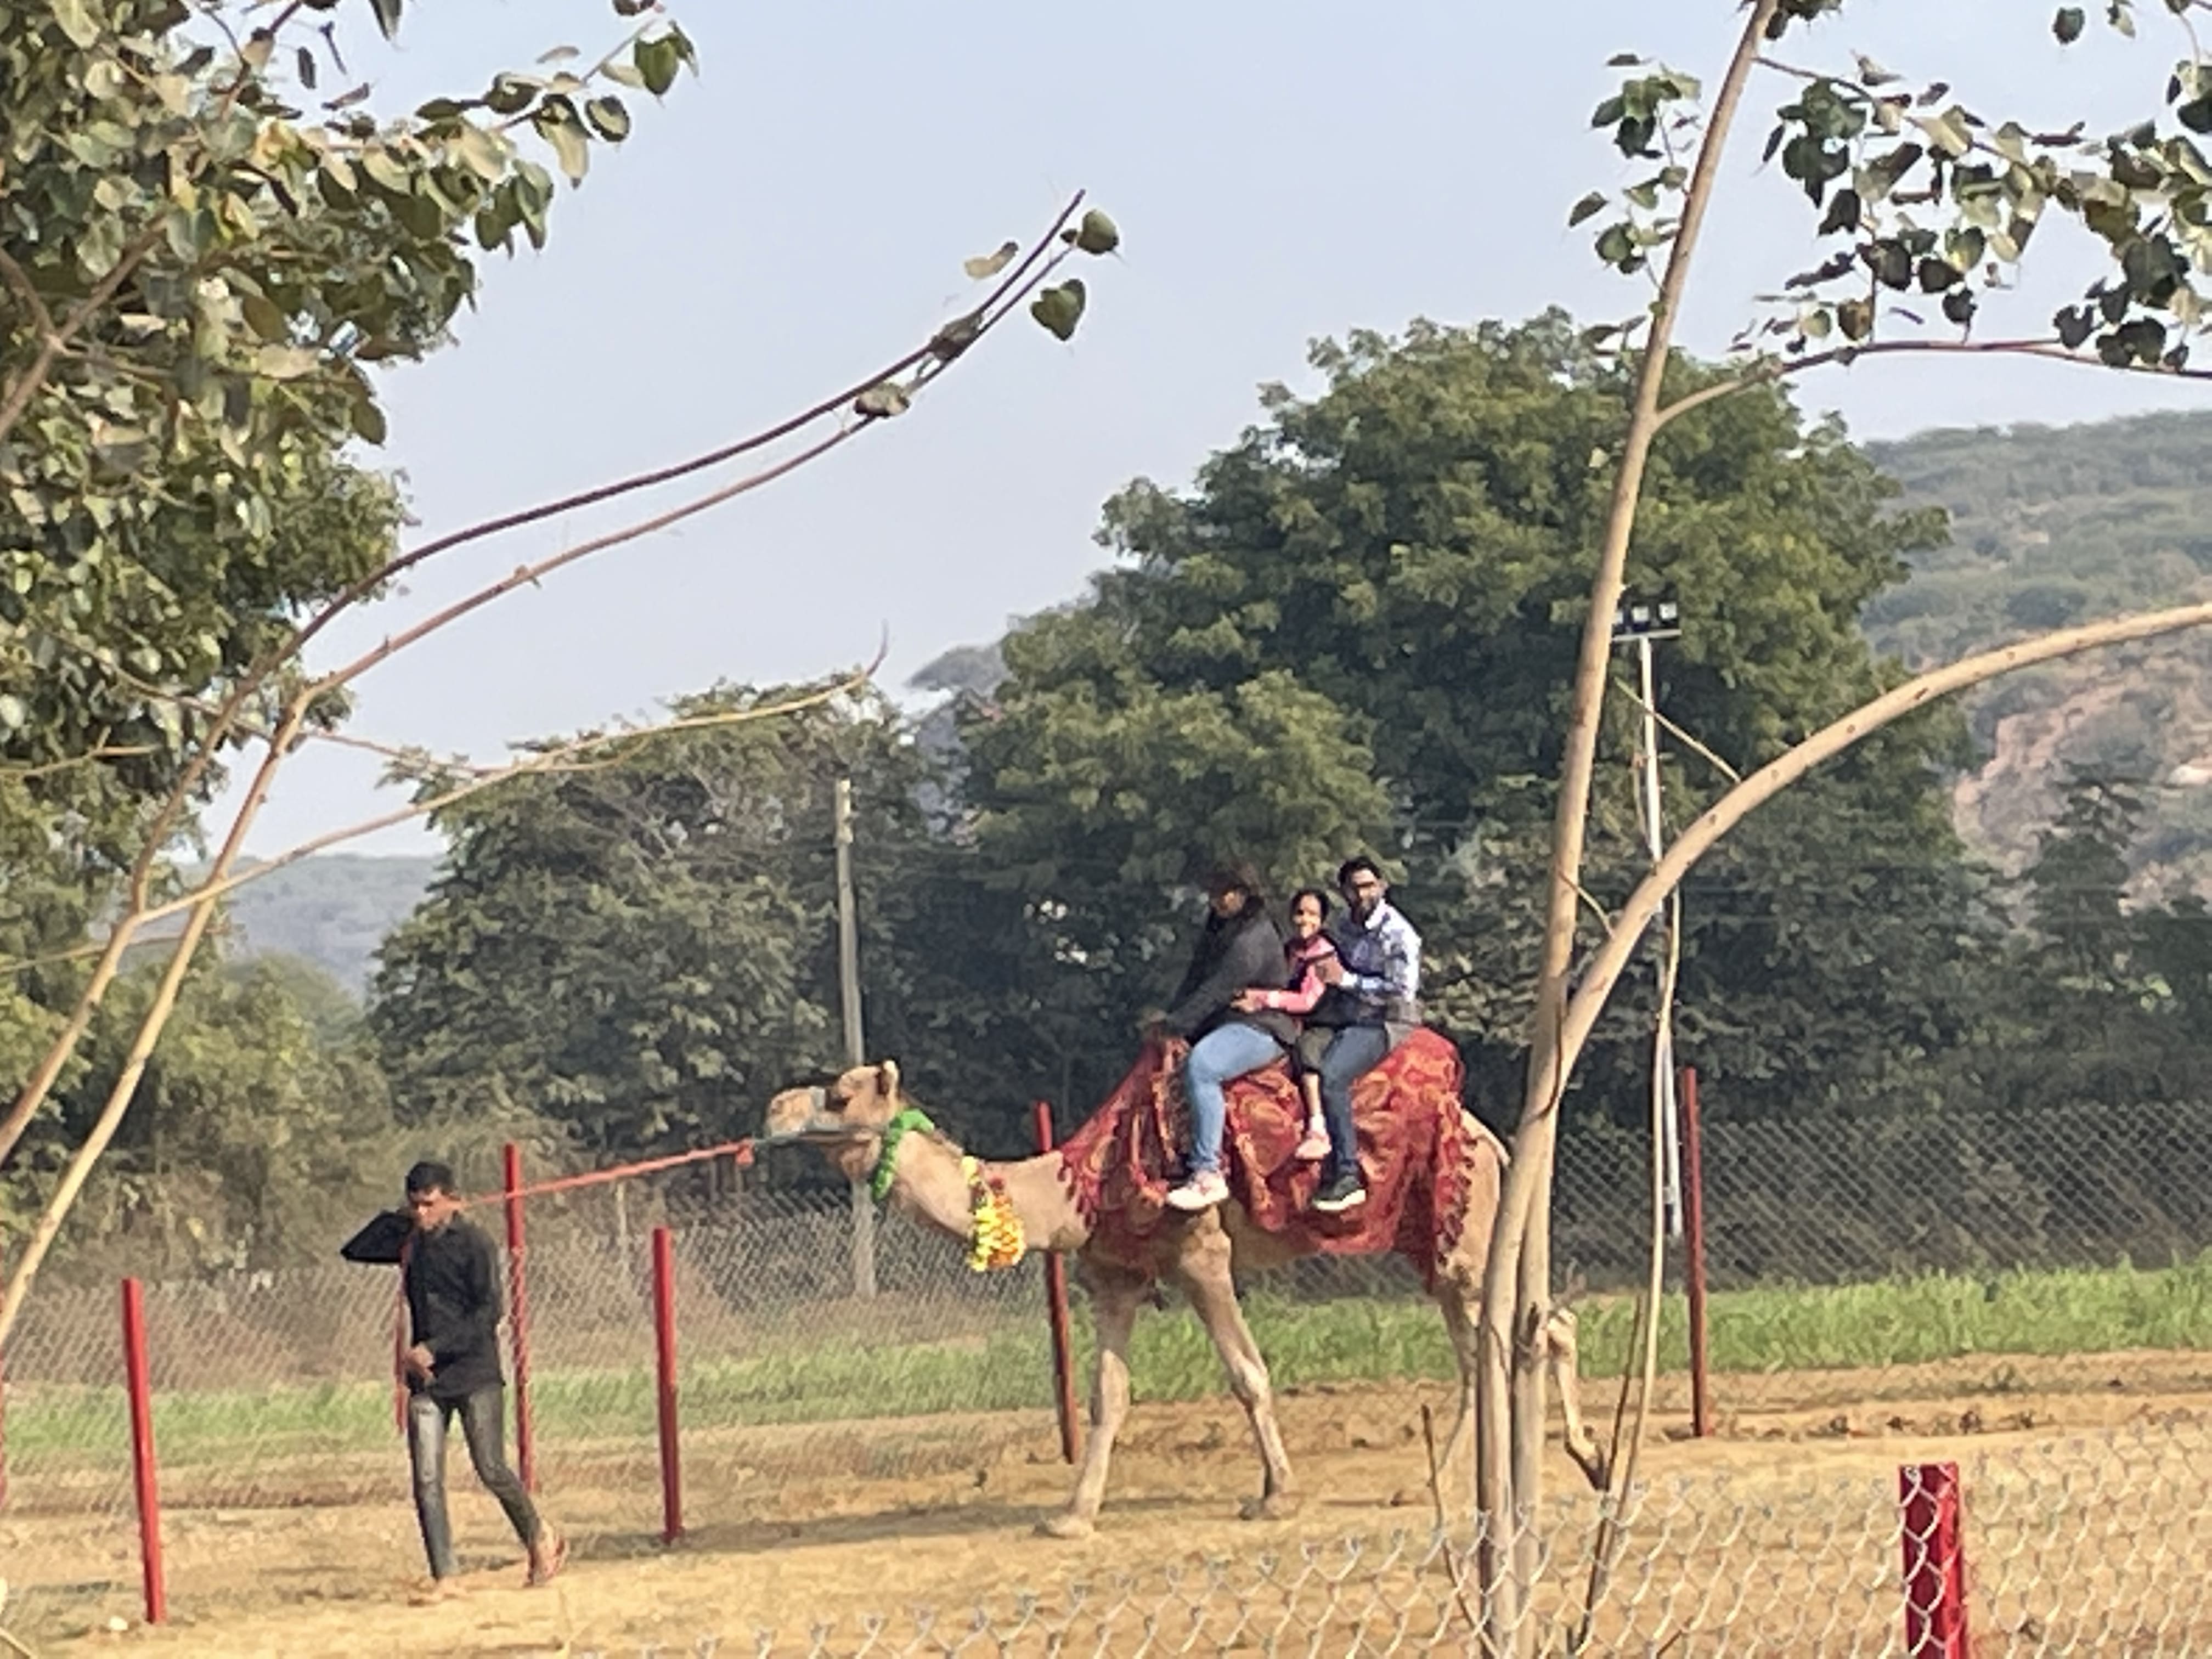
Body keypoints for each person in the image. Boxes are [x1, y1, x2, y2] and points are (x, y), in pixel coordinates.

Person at [342, 1160, 564, 1594]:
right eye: (416, 1206)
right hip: (427, 1381)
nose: (423, 1214)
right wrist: (399, 1218)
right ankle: (446, 1574)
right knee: (426, 1478)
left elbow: (488, 1313)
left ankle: (540, 1536)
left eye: (429, 1205)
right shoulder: (410, 1241)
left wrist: (434, 1347)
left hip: (474, 1371)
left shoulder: (474, 1244)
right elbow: (356, 1249)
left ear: (451, 1200)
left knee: (492, 1468)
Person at [1153, 862, 1294, 1212]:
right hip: (1224, 1021)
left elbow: (1217, 990)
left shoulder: (1251, 940)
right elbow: (1195, 977)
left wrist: (1178, 1025)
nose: (1215, 901)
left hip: (1261, 1027)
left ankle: (1207, 1172)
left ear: (1243, 894)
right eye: (1212, 894)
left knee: (1203, 1067)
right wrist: (1171, 1020)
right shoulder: (1221, 926)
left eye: (1222, 894)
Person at [1305, 856, 1423, 1215]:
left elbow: (1403, 990)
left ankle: (1347, 1173)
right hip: (1346, 1012)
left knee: (1332, 1077)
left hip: (1385, 1020)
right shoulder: (1343, 924)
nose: (1362, 894)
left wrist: (1347, 981)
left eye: (1369, 886)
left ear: (1382, 886)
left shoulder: (1398, 934)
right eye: (1355, 887)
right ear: (1343, 891)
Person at [1233, 887, 1341, 1163]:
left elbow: (1307, 1001)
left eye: (1313, 915)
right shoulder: (1291, 949)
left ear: (1323, 920)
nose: (1305, 920)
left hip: (1322, 1021)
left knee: (1307, 1050)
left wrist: (1262, 998)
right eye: (1300, 913)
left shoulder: (1324, 956)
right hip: (1291, 1018)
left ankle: (1317, 1128)